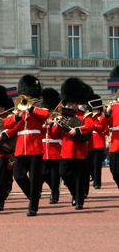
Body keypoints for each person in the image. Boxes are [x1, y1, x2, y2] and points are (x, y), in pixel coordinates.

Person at [0, 75, 49, 216]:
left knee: (34, 178)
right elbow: (7, 124)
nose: (25, 98)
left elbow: (45, 115)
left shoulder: (38, 109)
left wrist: (31, 108)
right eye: (24, 96)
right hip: (21, 147)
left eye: (28, 96)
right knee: (19, 175)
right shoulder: (19, 112)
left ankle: (33, 206)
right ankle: (33, 197)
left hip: (34, 146)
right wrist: (18, 115)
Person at [58, 77, 94, 210]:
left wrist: (77, 130)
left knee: (79, 177)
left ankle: (79, 201)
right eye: (70, 102)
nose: (71, 104)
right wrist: (54, 124)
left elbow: (90, 126)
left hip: (79, 150)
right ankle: (75, 194)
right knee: (64, 173)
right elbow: (56, 132)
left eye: (73, 102)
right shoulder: (63, 115)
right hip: (66, 149)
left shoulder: (83, 115)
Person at [40, 88, 63, 204]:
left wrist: (53, 123)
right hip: (44, 150)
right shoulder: (41, 119)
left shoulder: (59, 119)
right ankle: (53, 188)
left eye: (50, 110)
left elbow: (56, 133)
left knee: (55, 176)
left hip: (55, 150)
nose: (49, 112)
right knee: (44, 174)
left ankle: (54, 195)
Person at [100, 66, 119, 189]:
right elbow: (103, 124)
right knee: (115, 171)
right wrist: (107, 113)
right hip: (116, 143)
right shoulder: (113, 106)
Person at [88, 94, 108, 189]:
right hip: (90, 142)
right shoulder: (89, 117)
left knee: (97, 164)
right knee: (90, 163)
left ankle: (97, 182)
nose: (94, 111)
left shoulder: (102, 117)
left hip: (99, 143)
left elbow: (106, 129)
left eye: (96, 109)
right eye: (93, 109)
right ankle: (92, 176)